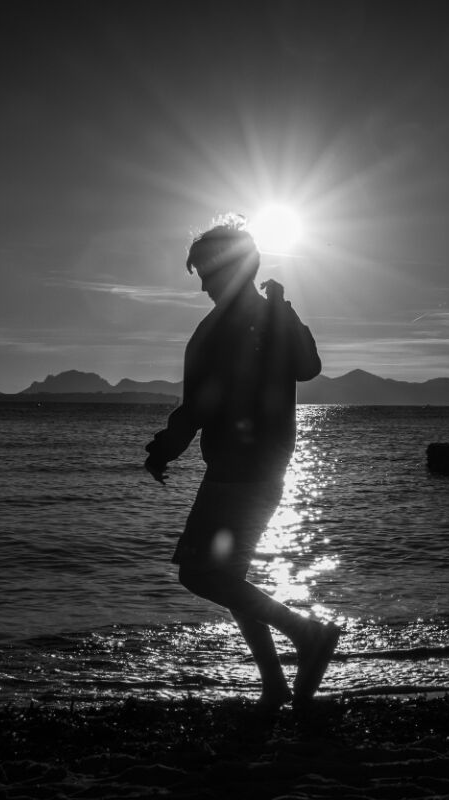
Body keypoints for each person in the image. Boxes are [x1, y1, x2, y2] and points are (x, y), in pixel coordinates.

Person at [145, 214, 339, 710]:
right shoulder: (255, 318)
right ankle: (273, 682)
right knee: (230, 577)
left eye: (208, 274)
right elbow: (306, 367)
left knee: (199, 574)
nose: (204, 287)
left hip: (241, 470)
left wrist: (166, 447)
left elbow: (203, 402)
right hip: (260, 467)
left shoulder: (229, 326)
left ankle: (307, 634)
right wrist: (282, 311)